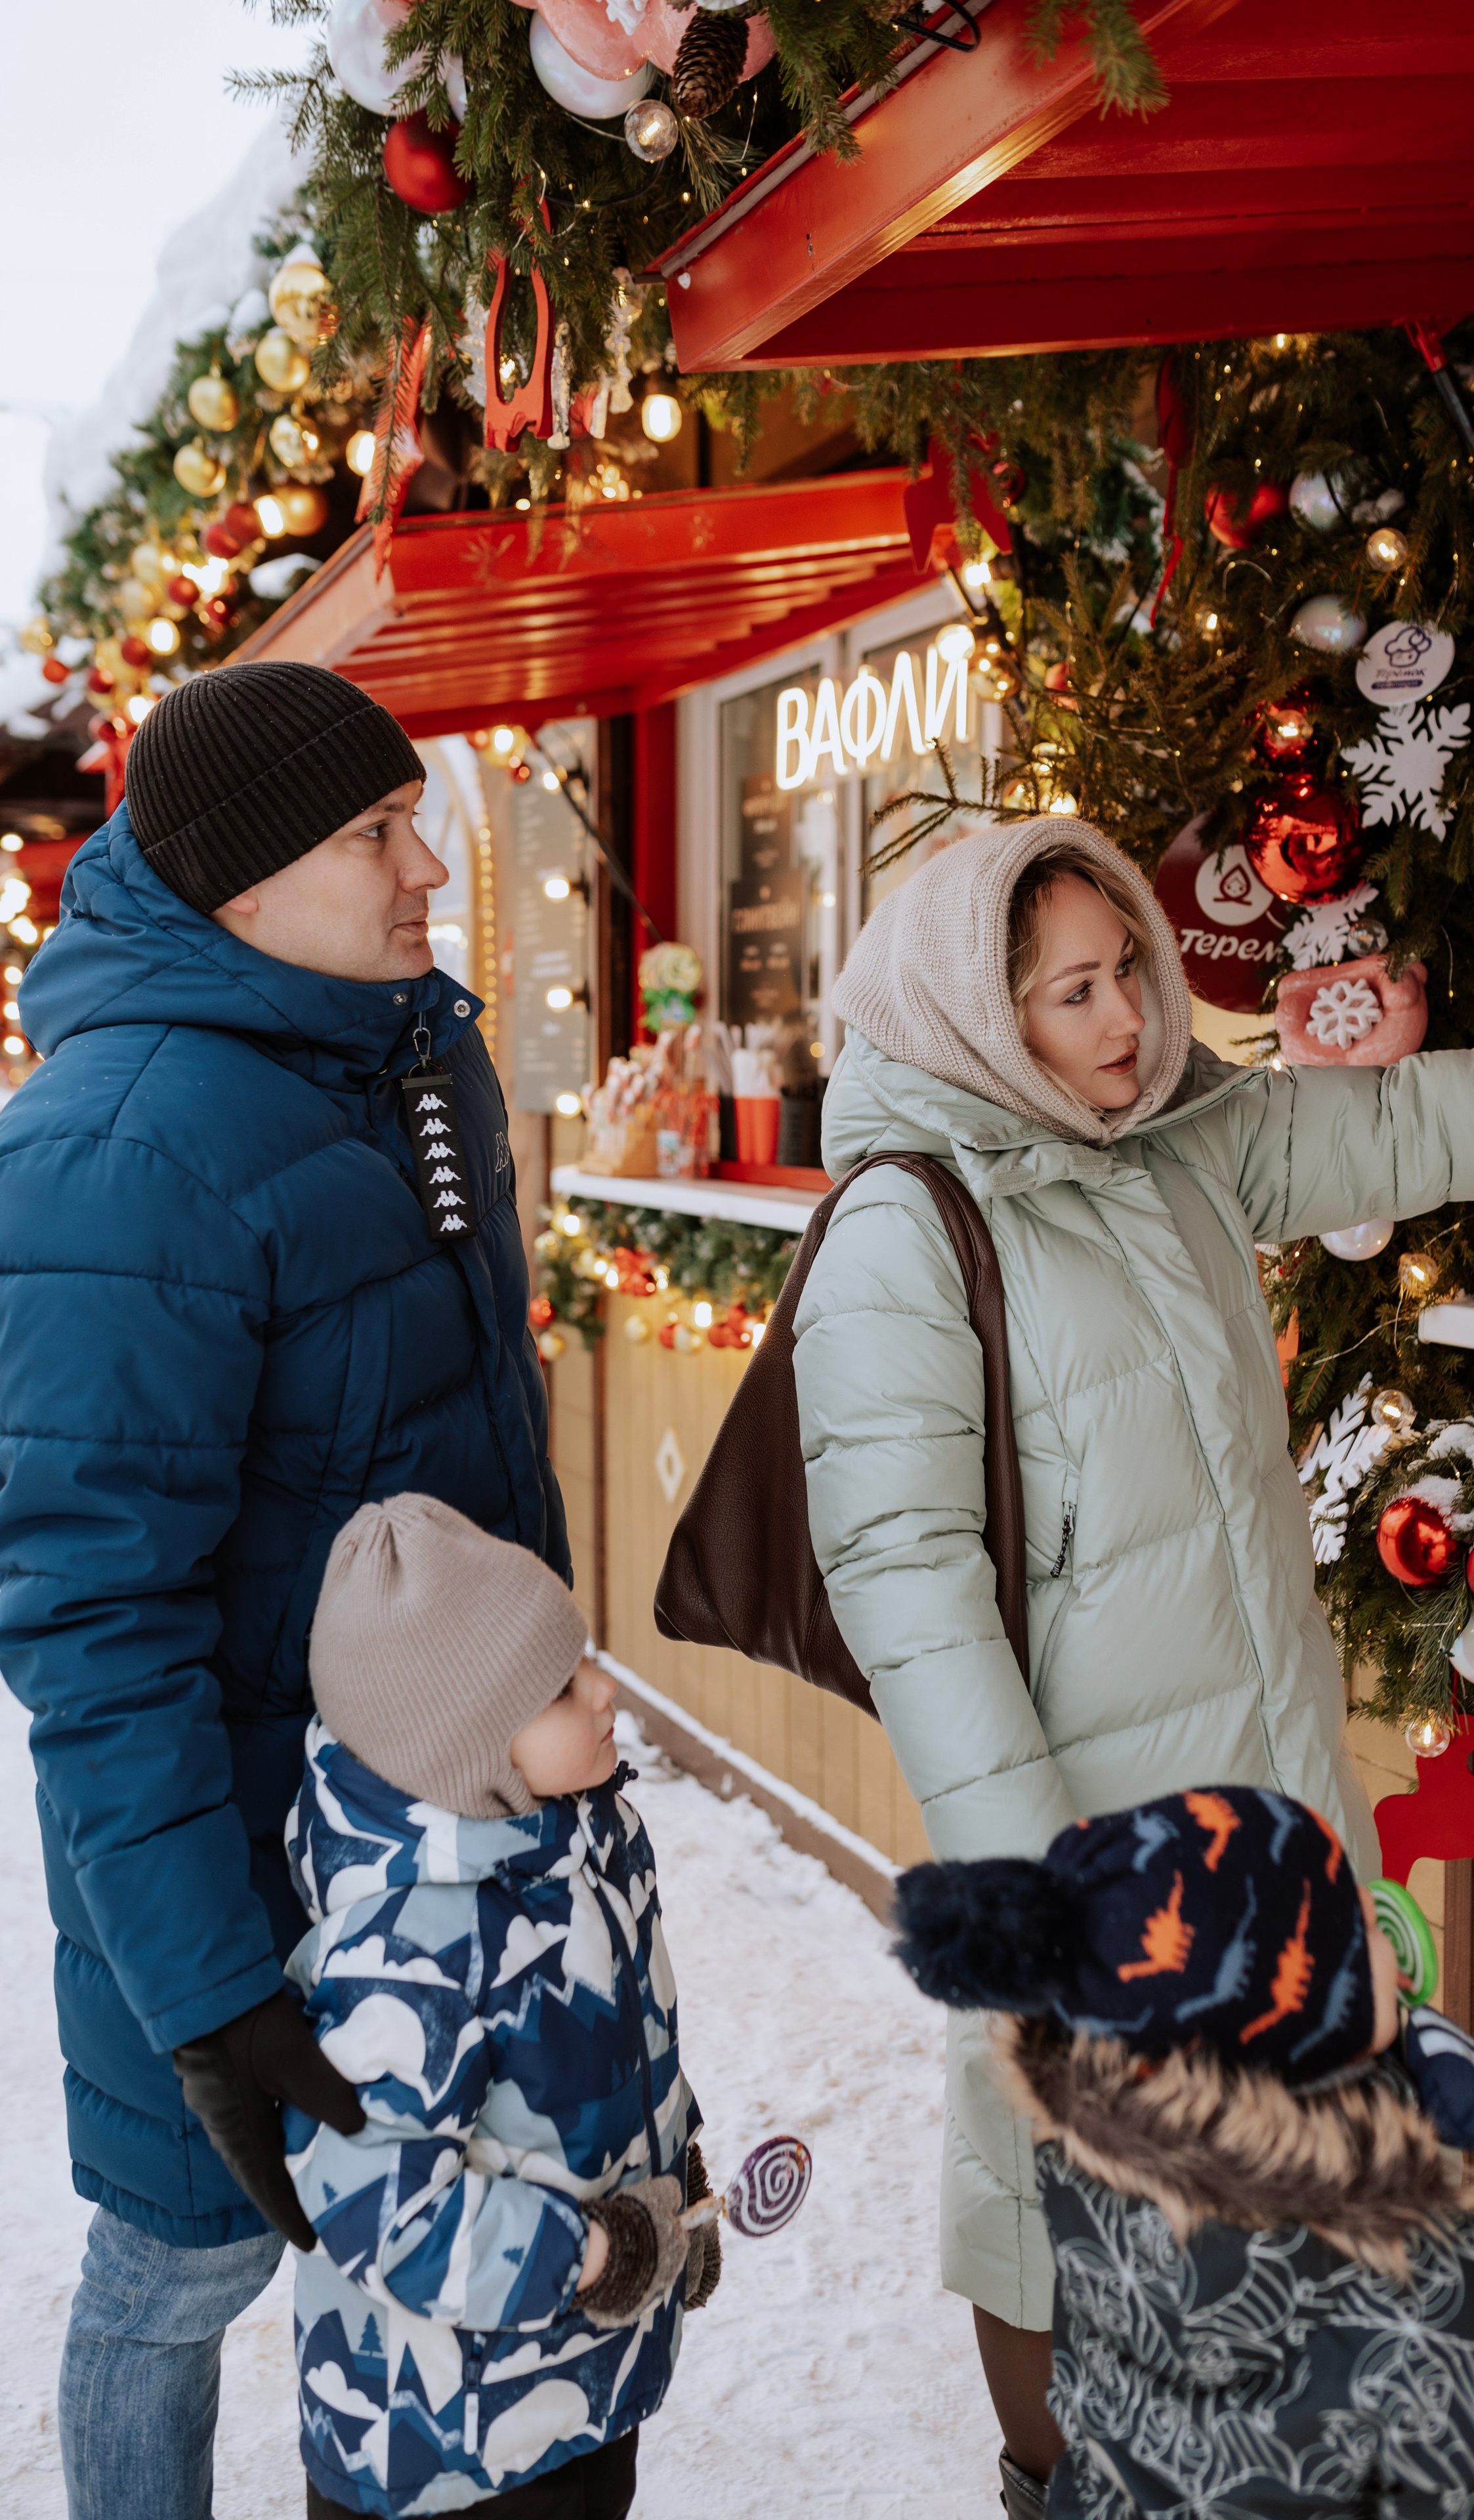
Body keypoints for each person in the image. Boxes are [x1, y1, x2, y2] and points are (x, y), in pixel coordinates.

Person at [791, 816, 1474, 2517]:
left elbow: (1443, 1113)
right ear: (983, 1020)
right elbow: (905, 1574)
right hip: (1096, 1845)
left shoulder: (1181, 1143)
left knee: (1275, 2227)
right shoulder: (906, 1229)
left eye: (1129, 966)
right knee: (1066, 2214)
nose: (1130, 1014)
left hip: (1276, 1822)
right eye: (1074, 991)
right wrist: (1039, 1895)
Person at [0, 663, 570, 2520]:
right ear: (242, 886)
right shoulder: (120, 1147)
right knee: (187, 2273)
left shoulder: (405, 1046)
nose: (427, 867)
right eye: (374, 834)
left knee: (423, 2257)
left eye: (415, 814)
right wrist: (211, 1992)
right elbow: (96, 1620)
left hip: (434, 1848)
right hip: (240, 1871)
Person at [889, 1786, 1474, 2520]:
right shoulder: (1449, 2292)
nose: (1384, 1938)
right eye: (1352, 1929)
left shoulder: (1090, 2188)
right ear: (1300, 2017)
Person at [283, 1492, 716, 2519]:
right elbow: (385, 2214)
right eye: (564, 1689)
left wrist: (682, 2175)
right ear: (470, 1749)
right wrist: (602, 2255)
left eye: (586, 1657)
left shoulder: (581, 1845)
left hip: (575, 2395)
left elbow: (633, 2041)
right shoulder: (410, 1947)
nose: (605, 1691)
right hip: (445, 2451)